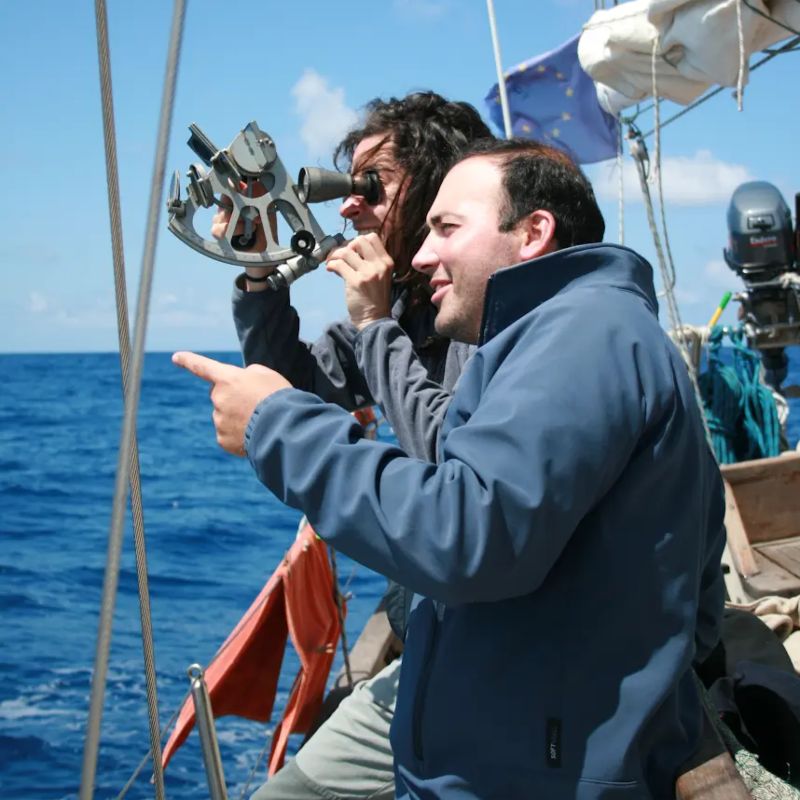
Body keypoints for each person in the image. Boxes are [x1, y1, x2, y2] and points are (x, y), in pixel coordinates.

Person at [175, 138, 727, 798]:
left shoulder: (583, 333)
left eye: (446, 227)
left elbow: (465, 528)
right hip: (506, 731)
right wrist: (262, 276)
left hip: (540, 761)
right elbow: (301, 384)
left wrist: (276, 427)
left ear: (533, 232)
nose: (421, 252)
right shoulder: (536, 331)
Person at [215, 92, 492, 799]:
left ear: (437, 187)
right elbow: (300, 384)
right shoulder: (401, 305)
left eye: (373, 186)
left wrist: (374, 324)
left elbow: (454, 478)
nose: (348, 206)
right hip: (444, 628)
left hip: (499, 641)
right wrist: (258, 271)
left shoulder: (483, 312)